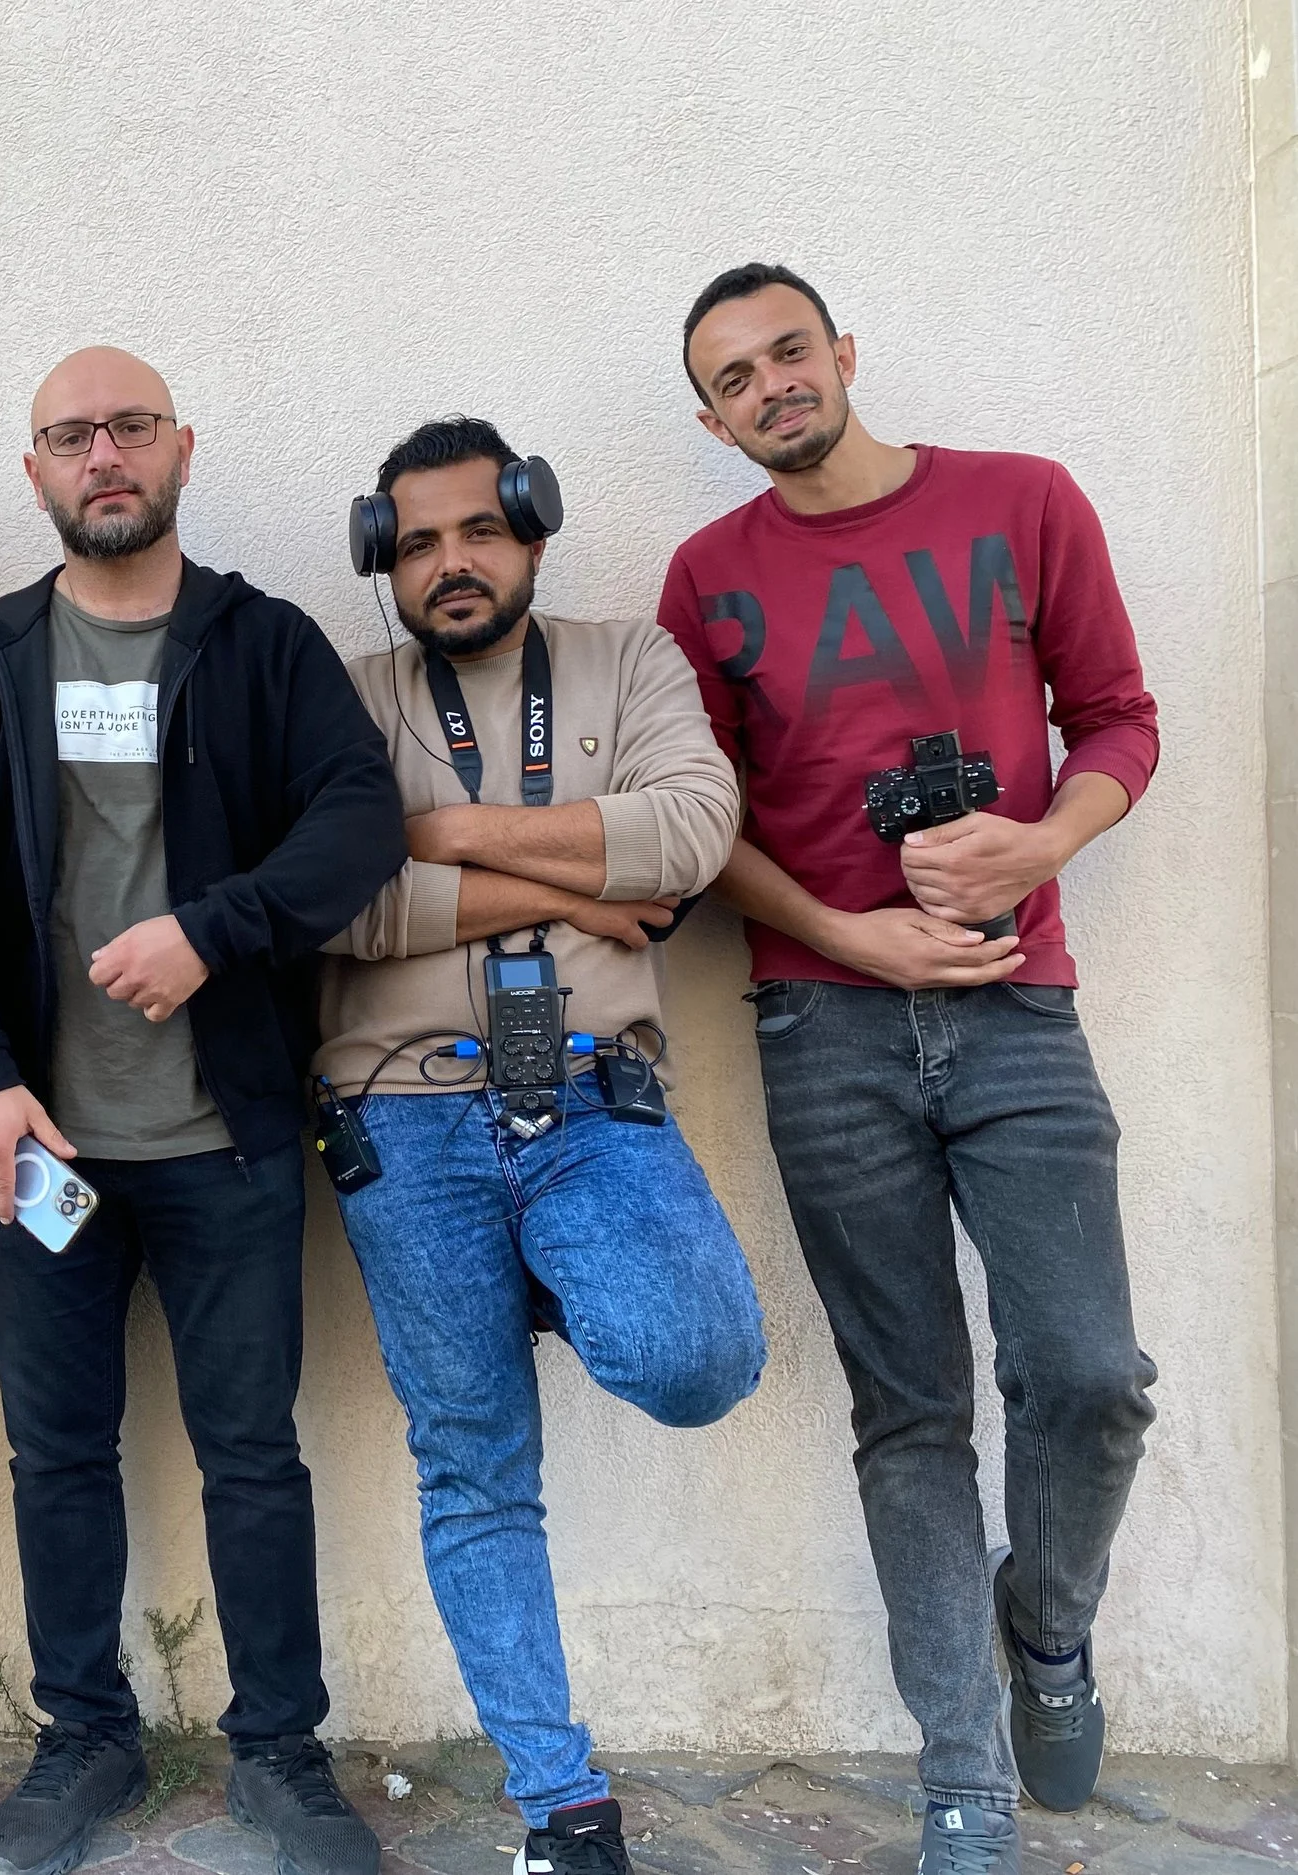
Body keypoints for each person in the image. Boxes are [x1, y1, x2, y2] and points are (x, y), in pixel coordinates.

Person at [660, 263, 1160, 1875]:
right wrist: (845, 936)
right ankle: (963, 1771)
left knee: (1088, 1372)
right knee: (911, 1410)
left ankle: (1047, 1624)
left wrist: (1042, 839)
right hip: (824, 1024)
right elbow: (699, 818)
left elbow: (1121, 719)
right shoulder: (706, 577)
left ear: (845, 351)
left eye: (788, 352)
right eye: (735, 379)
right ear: (714, 422)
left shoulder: (1023, 502)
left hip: (1018, 1001)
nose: (772, 387)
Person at [0, 347, 405, 1875]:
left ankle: (280, 1751)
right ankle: (85, 1735)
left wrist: (214, 927)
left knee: (252, 1452)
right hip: (40, 1149)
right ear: (35, 469)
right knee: (56, 1452)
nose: (102, 455)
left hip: (224, 1144)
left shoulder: (262, 644)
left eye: (128, 429)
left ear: (180, 449)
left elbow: (359, 822)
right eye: (71, 435)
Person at [319, 416, 765, 1875]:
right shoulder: (346, 696)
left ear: (531, 524)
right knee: (474, 1469)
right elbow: (337, 904)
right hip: (400, 1116)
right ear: (383, 558)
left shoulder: (631, 661)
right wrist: (578, 889)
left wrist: (445, 838)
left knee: (699, 1355)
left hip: (591, 1099)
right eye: (419, 542)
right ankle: (559, 1806)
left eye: (479, 529)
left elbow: (690, 836)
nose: (451, 562)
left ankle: (554, 1273)